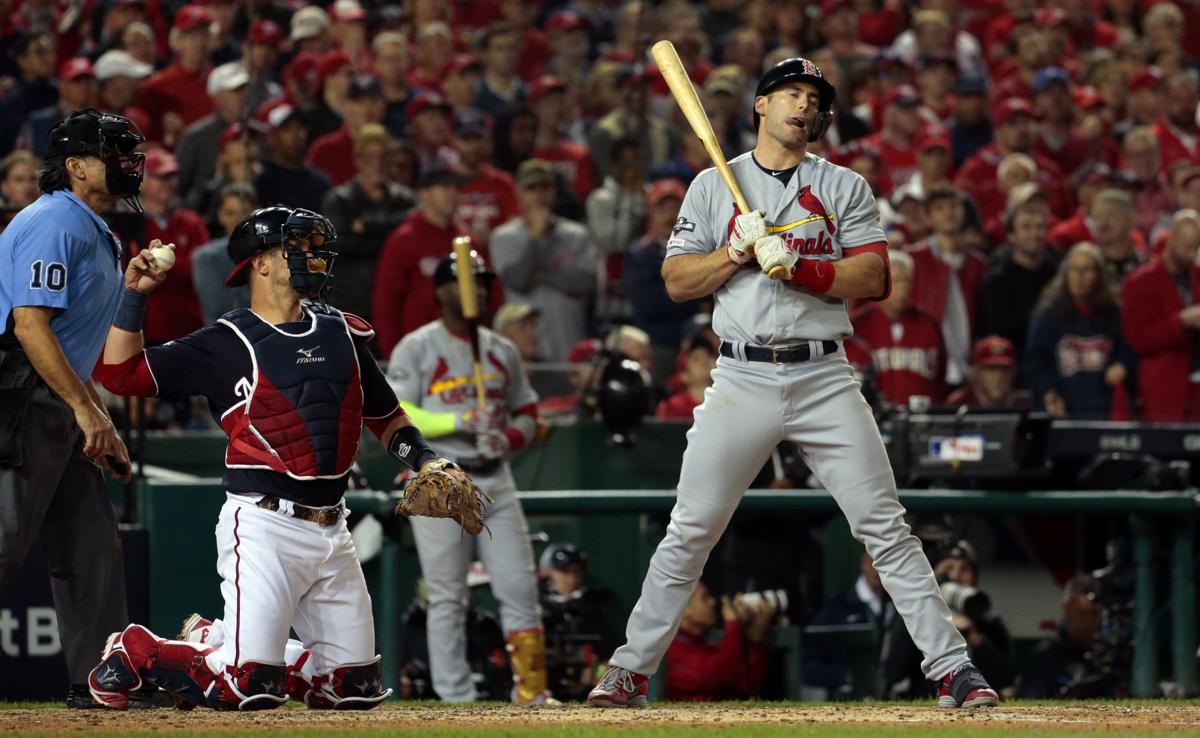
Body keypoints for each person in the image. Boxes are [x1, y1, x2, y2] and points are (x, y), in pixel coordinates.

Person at [587, 58, 999, 710]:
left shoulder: (843, 186)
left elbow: (873, 277)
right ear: (761, 105)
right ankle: (630, 671)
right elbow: (675, 281)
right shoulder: (710, 186)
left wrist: (800, 267)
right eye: (791, 94)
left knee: (884, 526)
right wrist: (735, 254)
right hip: (741, 374)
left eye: (813, 98)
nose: (803, 106)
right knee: (690, 528)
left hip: (823, 374)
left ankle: (953, 668)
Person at [88, 207, 464, 710]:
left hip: (334, 528)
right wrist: (134, 295)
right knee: (246, 686)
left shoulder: (342, 332)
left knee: (353, 689)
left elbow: (386, 415)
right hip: (264, 523)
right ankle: (137, 649)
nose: (315, 256)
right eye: (300, 246)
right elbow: (122, 375)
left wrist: (426, 460)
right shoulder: (227, 340)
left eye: (315, 246)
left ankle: (222, 637)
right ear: (260, 264)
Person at [0, 109, 140, 708]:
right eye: (116, 154)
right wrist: (88, 412)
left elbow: (74, 341)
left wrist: (95, 413)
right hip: (17, 397)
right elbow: (31, 326)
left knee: (91, 546)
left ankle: (100, 680)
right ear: (77, 166)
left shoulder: (92, 225)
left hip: (57, 398)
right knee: (2, 542)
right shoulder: (55, 218)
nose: (130, 166)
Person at [386, 251, 551, 704]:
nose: (476, 290)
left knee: (520, 589)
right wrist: (459, 419)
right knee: (448, 597)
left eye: (481, 282)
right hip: (440, 480)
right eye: (465, 281)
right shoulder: (417, 346)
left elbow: (529, 413)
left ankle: (533, 694)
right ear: (442, 291)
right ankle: (456, 701)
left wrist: (510, 439)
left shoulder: (502, 350)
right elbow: (399, 413)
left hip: (496, 478)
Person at [491, 159, 596, 362]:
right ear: (518, 193)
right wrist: (536, 238)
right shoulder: (505, 237)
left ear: (554, 191)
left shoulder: (576, 234)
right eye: (531, 188)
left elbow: (585, 283)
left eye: (545, 187)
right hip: (523, 351)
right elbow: (518, 280)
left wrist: (541, 273)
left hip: (568, 340)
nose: (539, 195)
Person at [1026, 242, 1135, 419]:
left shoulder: (1113, 314)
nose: (1079, 277)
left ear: (1099, 276)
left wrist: (1122, 365)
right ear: (1065, 274)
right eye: (1074, 270)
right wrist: (1049, 391)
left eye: (1087, 270)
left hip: (1102, 408)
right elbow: (1036, 360)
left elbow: (1130, 349)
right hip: (1062, 409)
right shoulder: (1047, 315)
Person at [321, 123, 416, 321]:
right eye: (370, 157)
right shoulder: (340, 199)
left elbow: (411, 243)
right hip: (352, 299)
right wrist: (390, 233)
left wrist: (364, 226)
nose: (377, 163)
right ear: (357, 159)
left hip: (397, 295)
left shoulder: (404, 198)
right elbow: (340, 245)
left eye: (383, 156)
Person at [1120, 210, 1200, 422]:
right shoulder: (1140, 282)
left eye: (1195, 246)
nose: (1190, 254)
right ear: (1171, 238)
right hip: (1165, 388)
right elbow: (1138, 339)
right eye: (1186, 246)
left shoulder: (1198, 276)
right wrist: (1181, 321)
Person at [906, 184, 989, 386]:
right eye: (939, 208)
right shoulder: (913, 259)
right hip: (925, 361)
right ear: (928, 217)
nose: (948, 213)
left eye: (954, 206)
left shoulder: (978, 264)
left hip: (967, 365)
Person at [847, 249, 947, 408]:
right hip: (872, 416)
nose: (903, 288)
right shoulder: (856, 325)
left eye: (907, 281)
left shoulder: (929, 326)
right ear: (881, 282)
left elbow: (940, 376)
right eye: (897, 280)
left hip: (920, 418)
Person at [973, 187, 1058, 354]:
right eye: (1026, 227)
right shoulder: (997, 280)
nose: (1035, 234)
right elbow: (1000, 329)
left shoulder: (1057, 273)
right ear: (1011, 235)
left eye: (1040, 227)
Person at [539, 543, 621, 702]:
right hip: (543, 687)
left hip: (585, 692)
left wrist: (597, 673)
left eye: (576, 572)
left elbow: (610, 659)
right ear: (546, 573)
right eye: (564, 572)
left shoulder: (594, 612)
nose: (572, 578)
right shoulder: (535, 611)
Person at [662, 581, 770, 702]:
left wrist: (754, 637)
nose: (712, 602)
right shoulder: (670, 649)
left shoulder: (702, 642)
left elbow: (745, 688)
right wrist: (733, 625)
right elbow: (723, 677)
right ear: (684, 610)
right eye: (704, 598)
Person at [1019, 575, 1106, 699]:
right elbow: (1029, 700)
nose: (1087, 622)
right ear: (1066, 610)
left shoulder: (1110, 655)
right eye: (1081, 613)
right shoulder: (1047, 655)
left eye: (1093, 614)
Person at [192, 183, 258, 323]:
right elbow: (219, 306)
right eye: (229, 213)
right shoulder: (206, 257)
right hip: (221, 339)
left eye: (244, 212)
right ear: (220, 215)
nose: (237, 220)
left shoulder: (267, 254)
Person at [946, 337, 1027, 409]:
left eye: (1004, 369)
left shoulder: (1025, 403)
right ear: (976, 373)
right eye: (991, 370)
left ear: (1013, 372)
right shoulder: (959, 403)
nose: (998, 377)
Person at [655, 336, 717, 420]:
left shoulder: (727, 404)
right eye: (696, 359)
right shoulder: (671, 407)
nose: (704, 361)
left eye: (709, 356)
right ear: (684, 375)